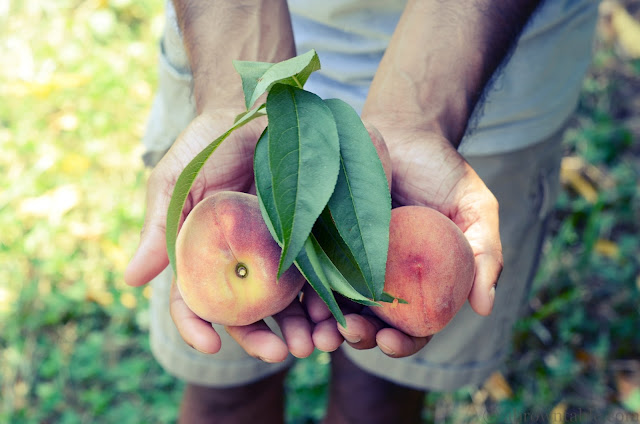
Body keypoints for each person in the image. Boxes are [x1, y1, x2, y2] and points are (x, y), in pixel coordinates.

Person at [124, 0, 601, 422]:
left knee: (381, 398)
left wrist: (421, 118)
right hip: (225, 42)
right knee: (223, 397)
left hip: (486, 62)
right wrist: (237, 97)